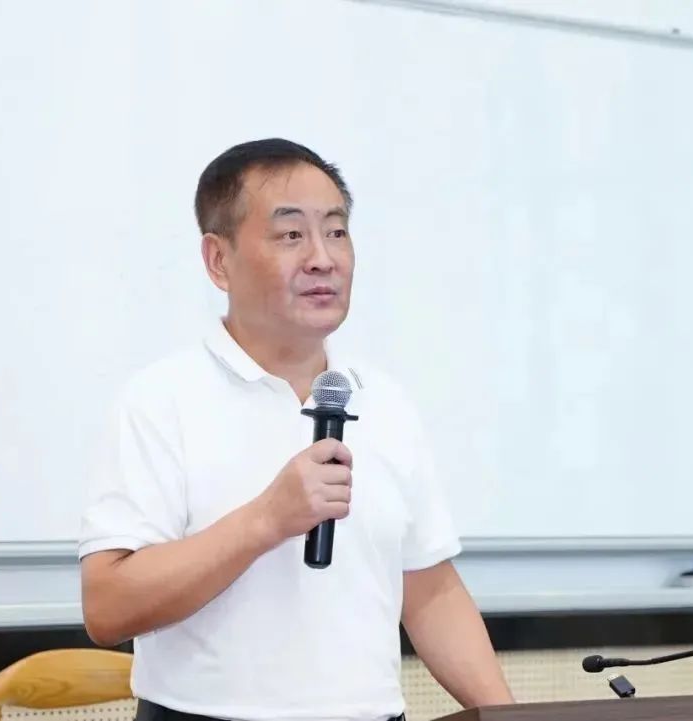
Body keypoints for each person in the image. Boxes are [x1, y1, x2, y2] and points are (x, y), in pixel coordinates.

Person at [78, 138, 514, 721]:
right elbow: (107, 607)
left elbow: (429, 590)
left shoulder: (384, 401)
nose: (322, 258)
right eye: (290, 235)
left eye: (336, 231)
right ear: (218, 260)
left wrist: (511, 716)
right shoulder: (161, 399)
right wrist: (267, 519)